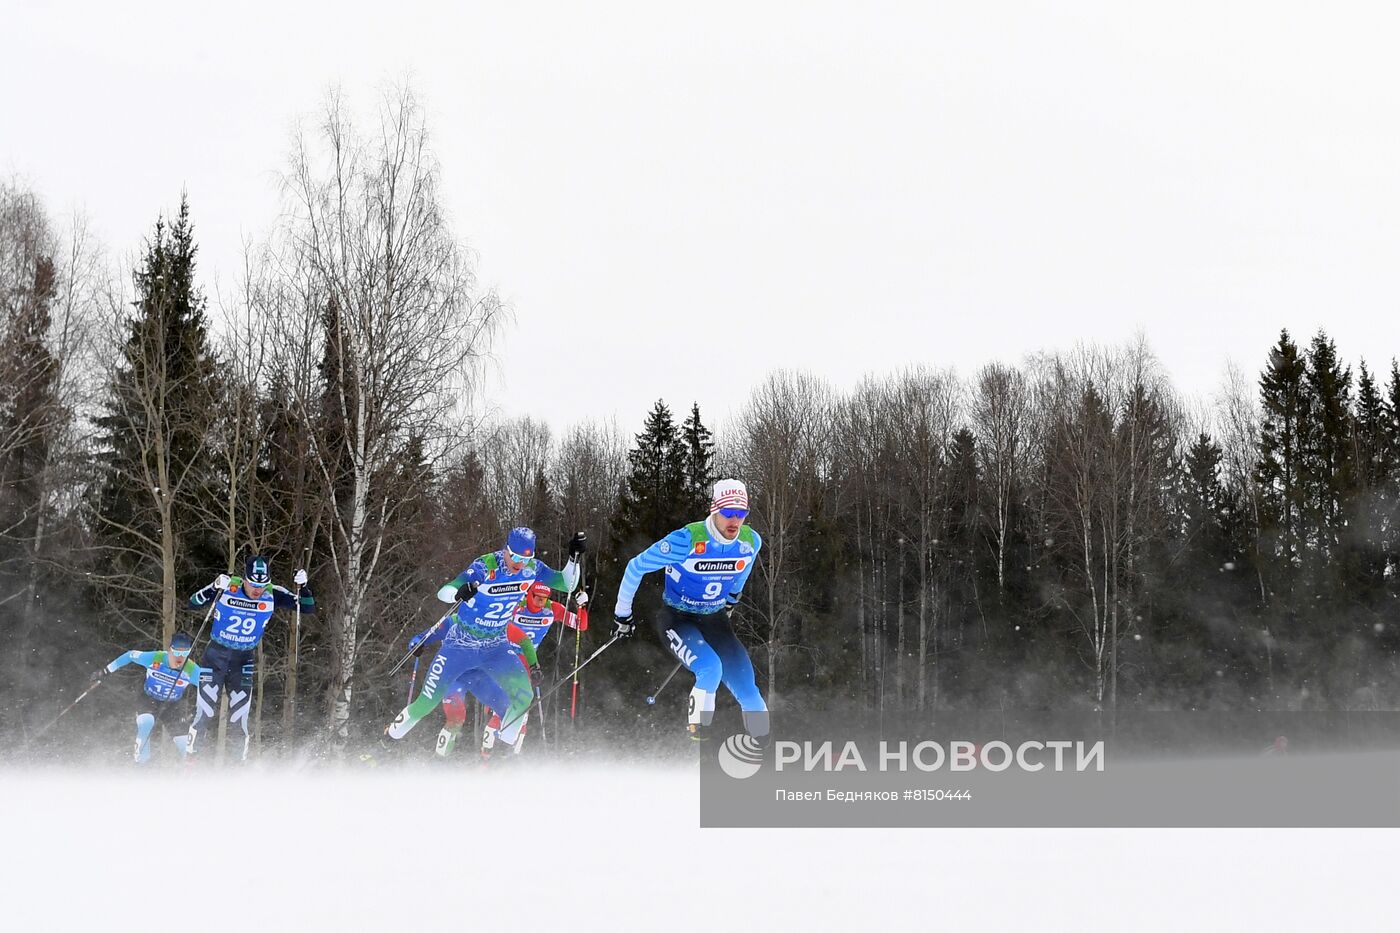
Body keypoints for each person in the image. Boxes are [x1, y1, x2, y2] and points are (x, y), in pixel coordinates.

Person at [384, 527, 584, 756]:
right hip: (461, 645)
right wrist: (459, 592)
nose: (519, 564)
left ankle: (503, 750)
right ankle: (391, 735)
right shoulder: (486, 566)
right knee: (426, 703)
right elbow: (445, 591)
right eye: (516, 557)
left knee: (524, 697)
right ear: (506, 550)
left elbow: (566, 584)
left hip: (495, 646)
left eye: (526, 558)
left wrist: (573, 559)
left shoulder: (532, 569)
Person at [612, 479, 768, 743]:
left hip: (715, 620)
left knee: (748, 689)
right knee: (710, 668)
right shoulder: (686, 540)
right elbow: (635, 567)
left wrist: (731, 600)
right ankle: (698, 733)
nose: (735, 520)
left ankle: (766, 747)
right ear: (714, 510)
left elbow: (742, 572)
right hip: (678, 619)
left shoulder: (750, 541)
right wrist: (622, 615)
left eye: (741, 514)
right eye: (729, 513)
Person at [185, 555, 314, 760]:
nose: (257, 590)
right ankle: (190, 763)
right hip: (215, 657)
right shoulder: (229, 587)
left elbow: (307, 607)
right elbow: (192, 603)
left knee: (239, 718)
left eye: (262, 585)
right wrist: (213, 586)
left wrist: (304, 586)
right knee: (205, 712)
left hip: (242, 661)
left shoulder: (273, 593)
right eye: (253, 584)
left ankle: (238, 768)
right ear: (244, 578)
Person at [475, 582, 589, 757]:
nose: (541, 602)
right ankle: (487, 754)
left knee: (522, 712)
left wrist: (581, 605)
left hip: (528, 661)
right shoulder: (516, 605)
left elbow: (580, 625)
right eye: (537, 598)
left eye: (544, 598)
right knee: (508, 707)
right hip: (506, 656)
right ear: (529, 595)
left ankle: (510, 754)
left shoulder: (553, 609)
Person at [91, 632, 205, 764]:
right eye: (177, 652)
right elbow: (130, 655)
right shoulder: (155, 658)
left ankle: (192, 773)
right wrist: (106, 671)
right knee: (146, 722)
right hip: (148, 699)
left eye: (185, 653)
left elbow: (208, 688)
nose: (180, 658)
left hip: (172, 705)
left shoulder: (191, 670)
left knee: (184, 743)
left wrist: (201, 708)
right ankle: (141, 765)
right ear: (170, 650)